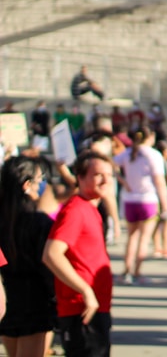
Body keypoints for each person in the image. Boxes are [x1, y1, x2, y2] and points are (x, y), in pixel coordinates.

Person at [43, 150, 115, 357]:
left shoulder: (90, 207)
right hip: (81, 308)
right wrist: (86, 291)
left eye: (109, 175)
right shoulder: (75, 210)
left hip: (93, 306)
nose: (106, 180)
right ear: (80, 178)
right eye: (98, 175)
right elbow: (51, 254)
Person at [0, 157, 57, 357]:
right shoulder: (38, 222)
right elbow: (48, 264)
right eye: (39, 180)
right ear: (27, 185)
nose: (42, 185)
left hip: (7, 295)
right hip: (35, 300)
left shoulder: (4, 219)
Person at [114, 126, 167, 285]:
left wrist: (123, 181)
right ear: (150, 136)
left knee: (131, 237)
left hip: (130, 199)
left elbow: (111, 164)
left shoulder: (128, 152)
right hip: (148, 200)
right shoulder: (153, 155)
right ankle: (137, 272)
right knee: (144, 238)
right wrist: (165, 204)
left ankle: (126, 270)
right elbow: (159, 181)